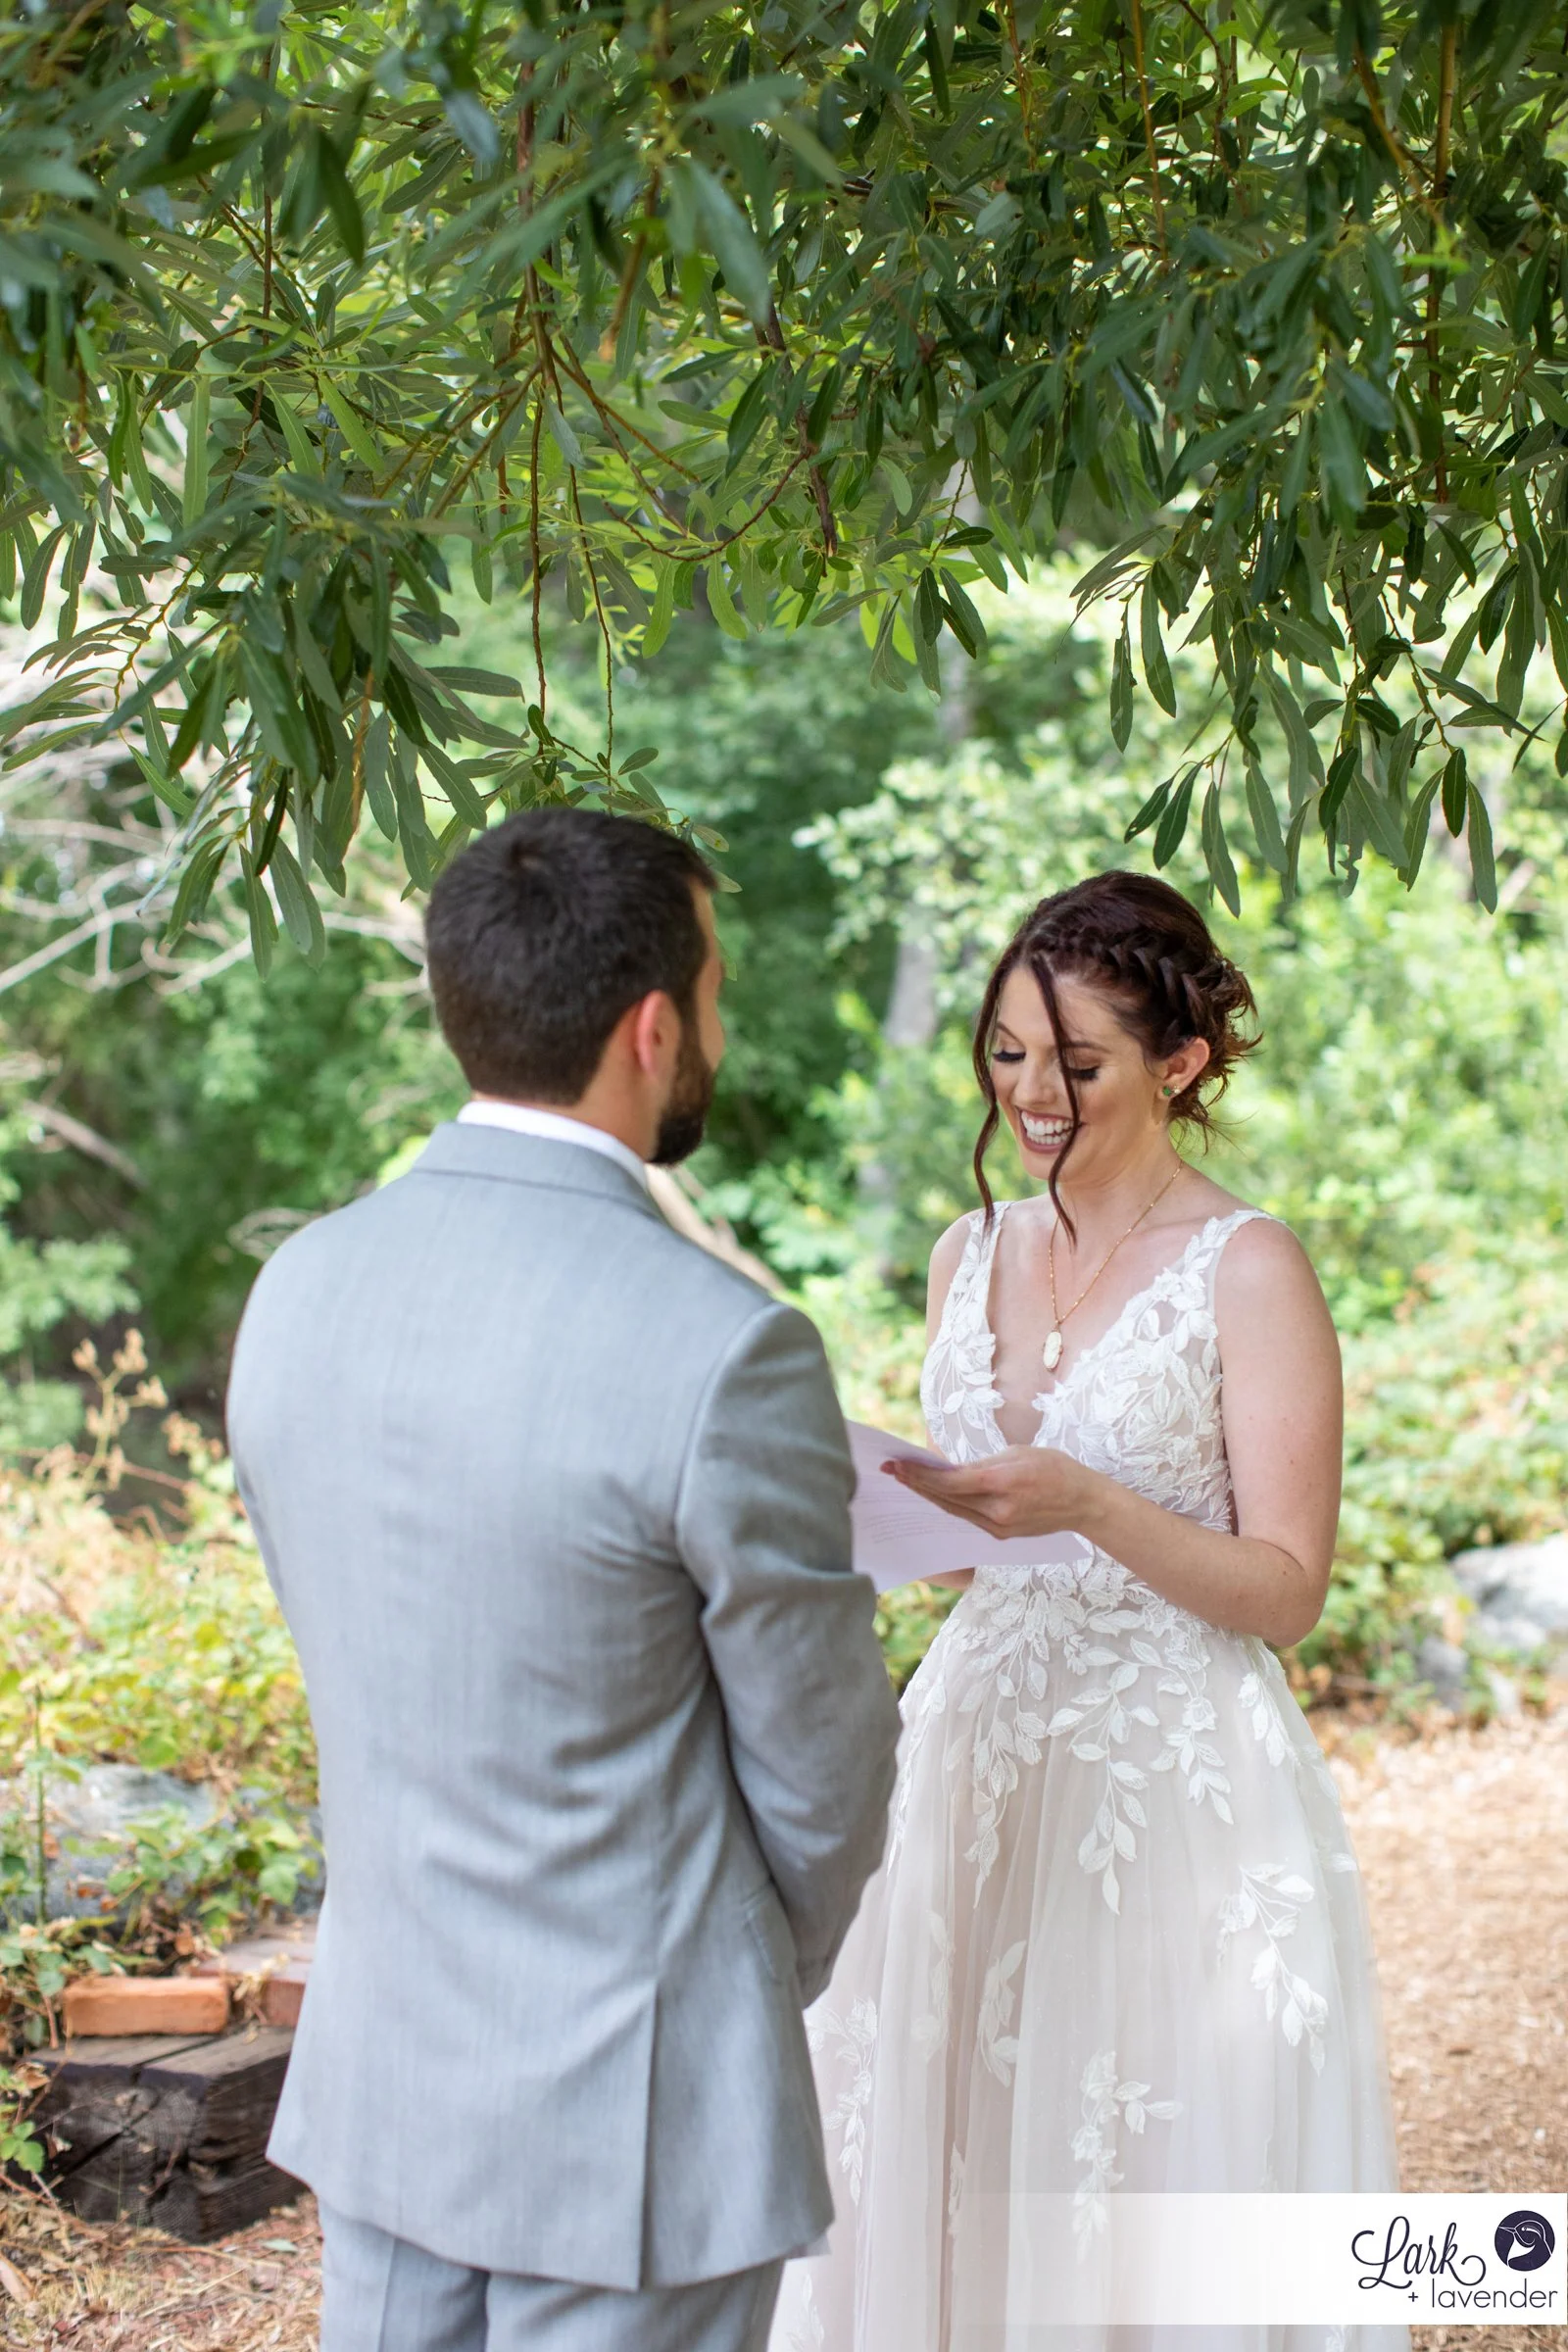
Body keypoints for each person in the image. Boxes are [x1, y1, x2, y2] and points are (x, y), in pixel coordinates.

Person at [226, 808, 902, 2352]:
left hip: (390, 2070)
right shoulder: (727, 1349)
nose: (719, 1025)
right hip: (640, 2106)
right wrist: (733, 1974)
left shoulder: (297, 1290)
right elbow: (825, 1770)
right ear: (654, 1027)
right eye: (719, 989)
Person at [769, 871, 1406, 2352]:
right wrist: (901, 1519)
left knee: (1139, 2168)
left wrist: (1096, 1506)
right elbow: (978, 1544)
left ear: (1180, 1063)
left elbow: (1290, 1590)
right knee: (948, 2147)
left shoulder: (1249, 1269)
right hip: (972, 1761)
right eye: (1004, 1053)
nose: (1031, 1095)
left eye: (1076, 1062)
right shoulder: (965, 1254)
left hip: (1170, 1792)